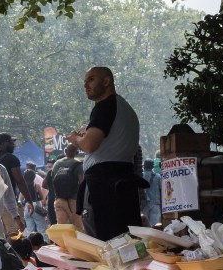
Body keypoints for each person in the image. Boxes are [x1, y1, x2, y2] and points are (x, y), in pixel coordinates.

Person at [66, 66, 143, 240]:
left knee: (106, 241)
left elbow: (90, 145)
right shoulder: (124, 107)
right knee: (126, 240)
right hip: (122, 180)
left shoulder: (105, 105)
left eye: (91, 80)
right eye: (85, 82)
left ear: (107, 81)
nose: (86, 85)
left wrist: (76, 139)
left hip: (105, 183)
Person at [0, 133, 35, 233]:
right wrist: (30, 201)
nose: (14, 144)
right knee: (14, 233)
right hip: (8, 203)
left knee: (1, 235)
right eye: (11, 142)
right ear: (2, 144)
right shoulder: (10, 158)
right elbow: (20, 181)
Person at [47, 144, 85, 229]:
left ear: (65, 151)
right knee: (78, 228)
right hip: (74, 201)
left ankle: (63, 242)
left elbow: (53, 180)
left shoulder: (57, 163)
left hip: (59, 199)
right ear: (76, 153)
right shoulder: (78, 165)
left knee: (61, 228)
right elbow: (82, 183)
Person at [22, 161, 48, 234]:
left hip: (27, 207)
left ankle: (29, 243)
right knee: (41, 228)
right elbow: (42, 198)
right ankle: (44, 243)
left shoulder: (23, 187)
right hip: (36, 206)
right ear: (34, 176)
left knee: (29, 229)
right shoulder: (37, 185)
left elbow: (20, 200)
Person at [141, 158, 162, 227]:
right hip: (155, 204)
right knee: (155, 226)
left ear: (144, 166)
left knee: (144, 225)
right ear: (152, 166)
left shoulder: (140, 176)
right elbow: (162, 189)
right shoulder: (158, 176)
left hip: (144, 204)